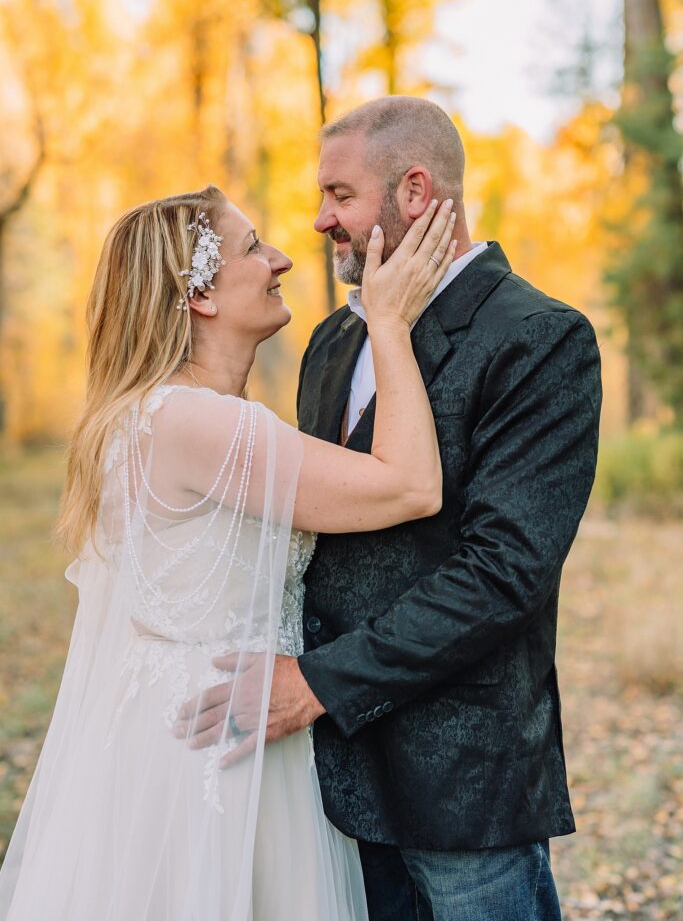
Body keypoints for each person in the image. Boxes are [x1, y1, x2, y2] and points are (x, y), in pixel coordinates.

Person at [184, 96, 603, 921]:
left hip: (459, 777)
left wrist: (318, 682)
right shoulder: (333, 339)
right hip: (325, 775)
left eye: (339, 196)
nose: (317, 222)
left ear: (414, 191)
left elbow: (503, 573)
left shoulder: (539, 337)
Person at [0, 183, 458, 920]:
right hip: (218, 744)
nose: (279, 258)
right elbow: (407, 488)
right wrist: (391, 322)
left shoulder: (155, 414)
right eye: (253, 248)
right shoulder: (198, 423)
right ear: (201, 297)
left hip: (190, 723)